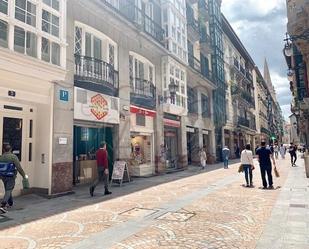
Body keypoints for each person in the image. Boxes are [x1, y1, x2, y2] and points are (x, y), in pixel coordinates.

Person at [0, 144, 28, 214]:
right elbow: (19, 168)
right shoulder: (13, 157)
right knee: (9, 189)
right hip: (10, 176)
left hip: (3, 176)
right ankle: (3, 205)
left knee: (8, 189)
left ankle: (10, 203)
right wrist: (24, 175)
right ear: (10, 149)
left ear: (4, 150)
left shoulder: (1, 157)